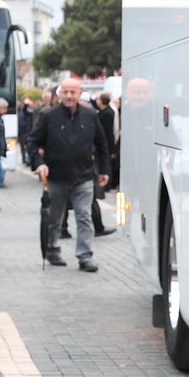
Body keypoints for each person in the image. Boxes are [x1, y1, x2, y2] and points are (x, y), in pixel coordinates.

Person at [32, 76, 113, 272]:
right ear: (59, 94)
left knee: (84, 216)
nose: (69, 96)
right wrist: (40, 163)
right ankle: (52, 249)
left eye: (73, 92)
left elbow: (102, 145)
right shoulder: (48, 116)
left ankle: (85, 256)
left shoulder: (90, 115)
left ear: (80, 93)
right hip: (56, 177)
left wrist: (104, 171)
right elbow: (32, 142)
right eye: (65, 92)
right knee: (54, 218)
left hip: (83, 176)